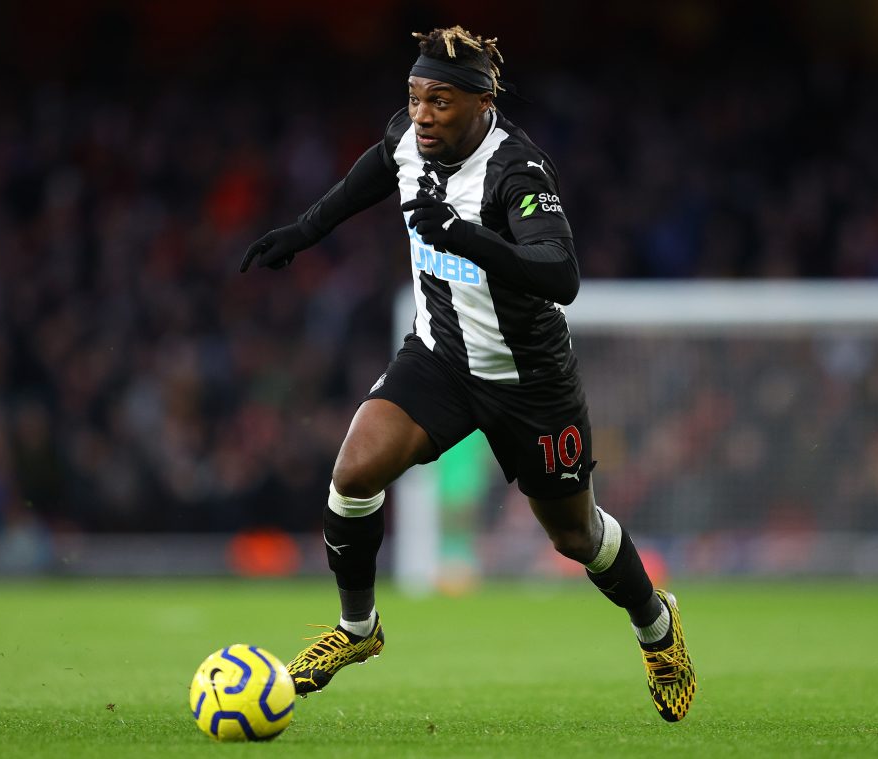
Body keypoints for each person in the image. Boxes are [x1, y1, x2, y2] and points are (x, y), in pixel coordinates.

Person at [240, 25, 696, 723]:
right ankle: (358, 630)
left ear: (482, 104)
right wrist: (303, 232)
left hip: (531, 380)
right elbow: (372, 169)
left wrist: (464, 235)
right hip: (441, 361)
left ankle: (656, 627)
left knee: (574, 536)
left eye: (441, 102)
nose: (423, 114)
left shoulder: (518, 172)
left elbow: (561, 275)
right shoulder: (408, 138)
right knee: (354, 473)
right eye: (416, 97)